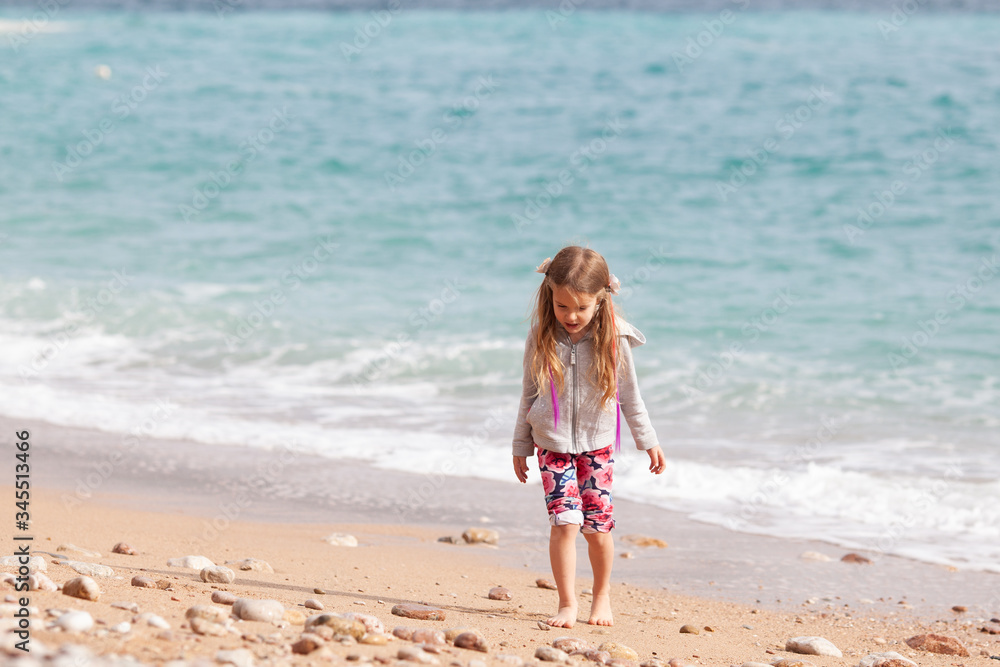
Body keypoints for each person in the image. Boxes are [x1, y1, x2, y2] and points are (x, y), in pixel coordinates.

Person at [512, 245, 665, 628]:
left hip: (598, 448)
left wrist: (648, 440)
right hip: (551, 445)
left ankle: (601, 596)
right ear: (550, 297)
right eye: (562, 306)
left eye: (580, 307)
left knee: (597, 529)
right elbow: (529, 393)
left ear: (601, 300)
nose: (571, 316)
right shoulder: (541, 336)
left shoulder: (614, 341)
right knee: (564, 522)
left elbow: (630, 397)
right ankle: (566, 604)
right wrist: (520, 444)